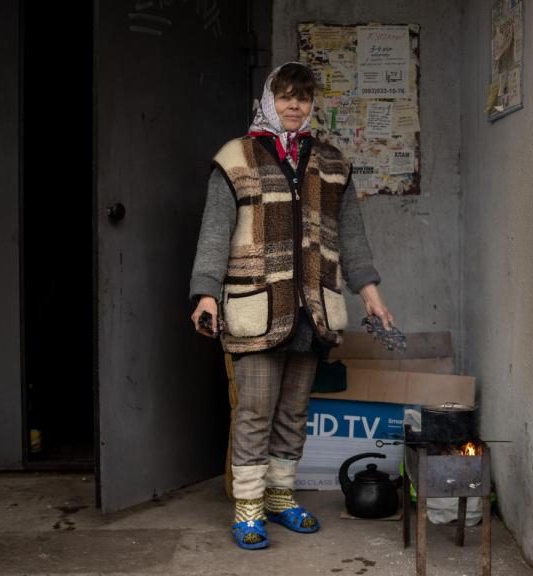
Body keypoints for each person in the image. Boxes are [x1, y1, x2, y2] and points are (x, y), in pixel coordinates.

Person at [189, 62, 393, 550]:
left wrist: (370, 293)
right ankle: (248, 505)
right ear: (269, 100)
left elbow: (353, 238)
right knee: (255, 410)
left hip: (311, 306)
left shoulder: (332, 163)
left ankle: (280, 496)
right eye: (285, 96)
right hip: (255, 304)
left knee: (294, 411)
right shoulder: (235, 158)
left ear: (312, 104)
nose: (294, 105)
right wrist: (205, 293)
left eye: (302, 97)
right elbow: (214, 233)